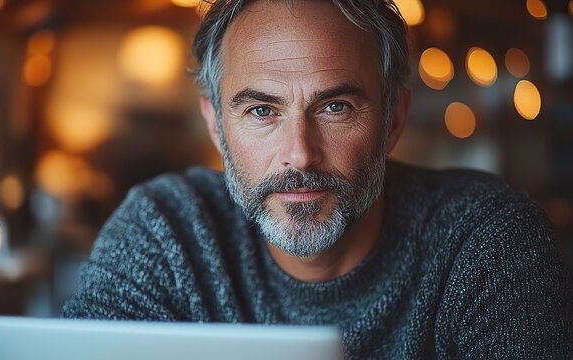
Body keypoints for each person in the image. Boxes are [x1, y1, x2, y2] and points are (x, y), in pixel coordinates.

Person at [62, 0, 573, 358]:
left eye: (335, 107)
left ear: (392, 119)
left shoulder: (485, 239)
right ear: (217, 126)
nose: (300, 155)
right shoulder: (164, 230)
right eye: (262, 111)